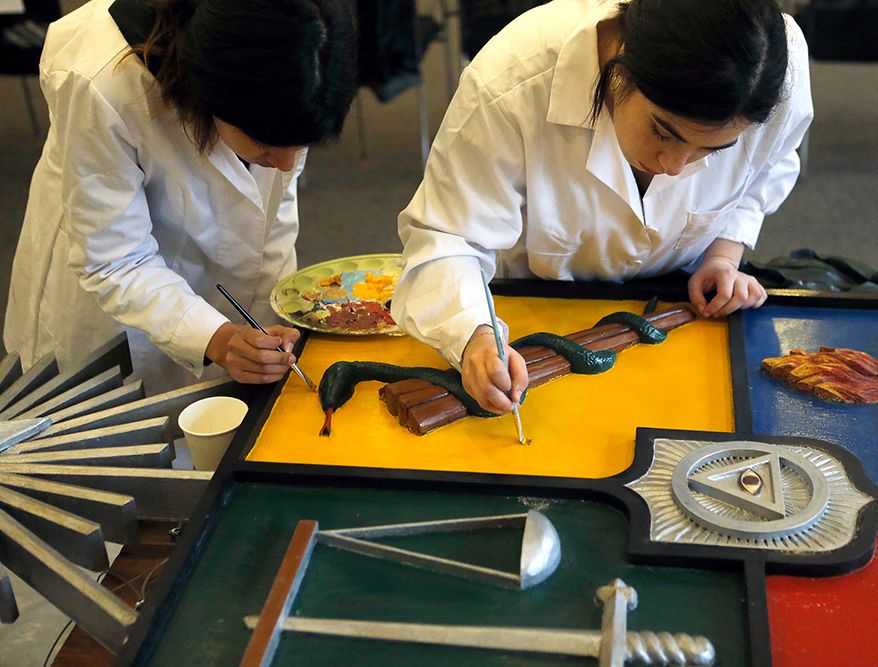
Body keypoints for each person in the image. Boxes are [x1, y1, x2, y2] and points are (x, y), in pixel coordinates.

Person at [392, 0, 813, 416]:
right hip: (533, 308)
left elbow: (770, 163)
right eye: (663, 131)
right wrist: (473, 335)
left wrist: (724, 254)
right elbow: (451, 236)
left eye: (713, 149)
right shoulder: (514, 80)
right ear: (621, 66)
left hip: (682, 306)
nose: (674, 166)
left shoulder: (774, 71)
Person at [4, 0, 356, 395]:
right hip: (112, 310)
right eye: (264, 142)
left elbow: (270, 212)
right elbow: (116, 259)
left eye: (301, 146)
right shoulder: (103, 83)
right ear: (211, 91)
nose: (287, 166)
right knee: (128, 437)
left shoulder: (292, 59)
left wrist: (265, 320)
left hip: (215, 280)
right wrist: (217, 339)